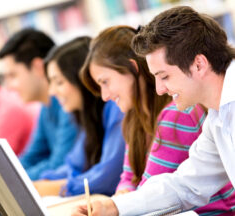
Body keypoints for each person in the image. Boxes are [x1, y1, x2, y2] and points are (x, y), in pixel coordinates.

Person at [72, 6, 235, 216]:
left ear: (198, 64)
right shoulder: (217, 118)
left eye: (165, 76)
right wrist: (114, 207)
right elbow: (186, 185)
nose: (160, 89)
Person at [33, 36, 125, 197]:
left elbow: (107, 177)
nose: (51, 92)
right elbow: (74, 164)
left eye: (59, 82)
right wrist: (44, 182)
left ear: (82, 79)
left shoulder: (116, 107)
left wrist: (55, 188)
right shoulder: (89, 115)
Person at [0, 28, 78, 180]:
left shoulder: (67, 102)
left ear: (38, 67)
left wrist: (11, 180)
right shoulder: (45, 106)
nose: (8, 87)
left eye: (13, 75)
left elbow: (59, 164)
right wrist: (0, 177)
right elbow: (32, 156)